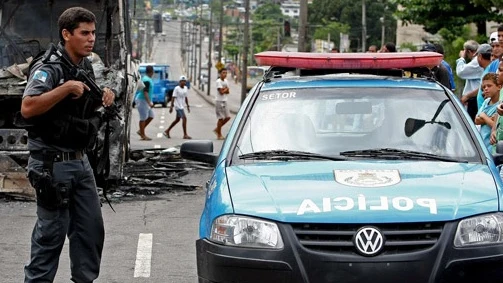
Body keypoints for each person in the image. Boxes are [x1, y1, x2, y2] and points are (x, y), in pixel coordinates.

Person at [21, 7, 115, 283]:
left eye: (93, 33)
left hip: (80, 161)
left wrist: (103, 98)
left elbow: (82, 108)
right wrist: (64, 88)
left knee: (90, 230)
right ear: (66, 34)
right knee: (51, 234)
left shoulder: (83, 65)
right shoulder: (48, 67)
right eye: (84, 33)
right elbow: (28, 107)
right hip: (52, 164)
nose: (91, 39)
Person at [456, 40, 483, 121]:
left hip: (474, 98)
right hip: (473, 98)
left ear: (469, 51)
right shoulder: (475, 61)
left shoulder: (476, 62)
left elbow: (461, 72)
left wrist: (461, 58)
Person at [135, 65, 155, 140]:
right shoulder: (146, 80)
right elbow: (145, 92)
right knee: (143, 118)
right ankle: (143, 135)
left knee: (151, 115)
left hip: (145, 100)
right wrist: (149, 102)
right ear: (152, 72)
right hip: (142, 100)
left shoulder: (148, 79)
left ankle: (141, 130)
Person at [214, 68, 231, 140]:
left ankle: (217, 129)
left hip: (225, 100)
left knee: (228, 117)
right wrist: (225, 89)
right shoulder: (218, 81)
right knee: (220, 118)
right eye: (223, 73)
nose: (225, 74)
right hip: (219, 101)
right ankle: (219, 134)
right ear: (220, 74)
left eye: (226, 73)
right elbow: (221, 92)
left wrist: (225, 89)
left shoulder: (226, 81)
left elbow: (227, 92)